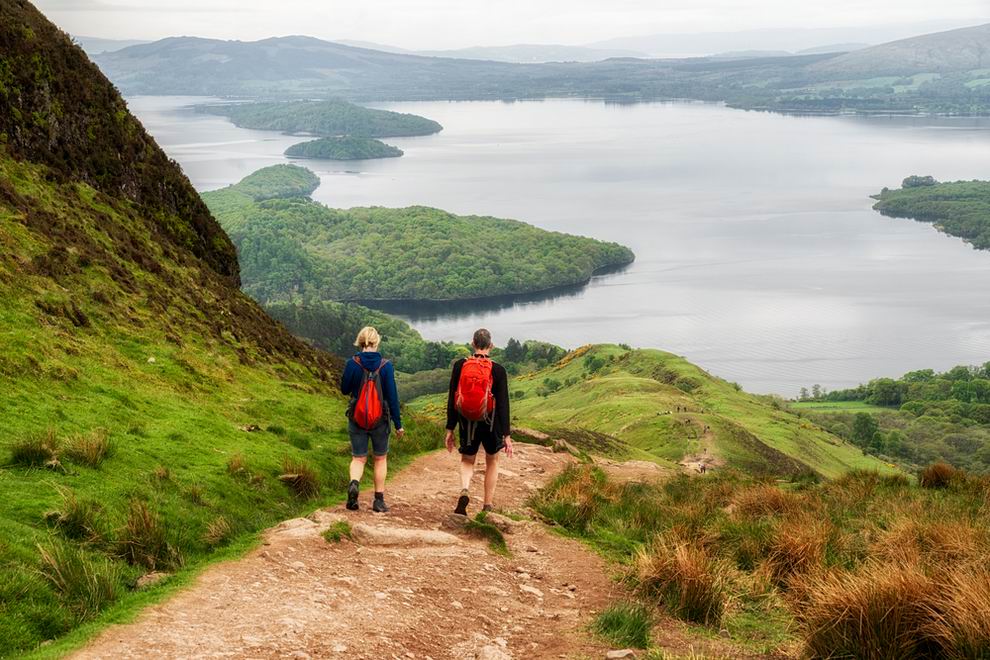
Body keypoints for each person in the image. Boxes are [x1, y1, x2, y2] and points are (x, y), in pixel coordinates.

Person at [444, 328, 513, 515]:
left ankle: (465, 489)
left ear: (473, 343)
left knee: (467, 459)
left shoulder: (460, 365)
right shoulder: (498, 370)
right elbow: (503, 404)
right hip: (491, 423)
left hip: (467, 422)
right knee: (492, 460)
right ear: (491, 345)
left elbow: (452, 397)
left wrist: (450, 428)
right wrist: (506, 434)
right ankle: (487, 505)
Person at [340, 326, 403, 512]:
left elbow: (344, 389)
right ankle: (378, 500)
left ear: (360, 342)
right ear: (376, 342)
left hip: (357, 417)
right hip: (380, 420)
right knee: (380, 458)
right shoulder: (386, 365)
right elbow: (392, 397)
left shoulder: (352, 363)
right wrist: (398, 424)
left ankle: (354, 484)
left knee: (358, 458)